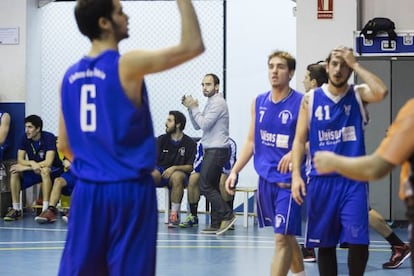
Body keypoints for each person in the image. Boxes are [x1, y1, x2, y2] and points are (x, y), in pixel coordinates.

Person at [57, 0, 204, 275]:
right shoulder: (127, 64)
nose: (126, 16)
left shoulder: (67, 77)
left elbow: (64, 144)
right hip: (128, 190)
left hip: (87, 190)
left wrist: (99, 164)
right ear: (104, 22)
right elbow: (192, 45)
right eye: (120, 11)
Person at [301, 62, 410, 269]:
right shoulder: (310, 102)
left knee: (363, 212)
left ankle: (396, 244)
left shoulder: (343, 100)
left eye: (306, 77)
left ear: (314, 81)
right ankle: (318, 244)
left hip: (344, 173)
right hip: (324, 175)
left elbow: (379, 92)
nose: (303, 80)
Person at [291, 46, 388, 276]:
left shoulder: (358, 94)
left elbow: (381, 91)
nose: (338, 69)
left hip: (353, 181)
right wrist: (296, 175)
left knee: (358, 240)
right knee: (325, 243)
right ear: (327, 67)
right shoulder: (311, 99)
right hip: (321, 181)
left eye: (344, 65)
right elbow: (298, 140)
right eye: (334, 63)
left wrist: (356, 64)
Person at [225, 50, 306, 276]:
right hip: (266, 180)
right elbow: (251, 141)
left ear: (290, 73)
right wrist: (234, 171)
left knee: (281, 239)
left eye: (280, 67)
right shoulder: (259, 102)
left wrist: (295, 151)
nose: (274, 71)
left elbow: (313, 142)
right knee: (286, 236)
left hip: (290, 181)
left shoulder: (302, 103)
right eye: (271, 66)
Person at [182, 73, 235, 235]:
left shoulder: (218, 103)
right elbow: (197, 126)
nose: (205, 87)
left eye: (208, 84)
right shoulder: (211, 102)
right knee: (211, 186)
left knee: (204, 185)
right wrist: (191, 110)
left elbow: (204, 124)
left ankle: (227, 214)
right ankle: (216, 223)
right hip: (212, 149)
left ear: (217, 86)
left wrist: (194, 107)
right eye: (203, 84)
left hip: (217, 150)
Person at [4, 115, 63, 221]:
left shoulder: (49, 137)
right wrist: (31, 163)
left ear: (38, 128)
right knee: (14, 171)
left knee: (45, 170)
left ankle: (45, 210)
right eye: (26, 127)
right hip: (35, 169)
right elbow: (20, 160)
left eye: (30, 127)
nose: (27, 130)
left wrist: (28, 168)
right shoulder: (24, 138)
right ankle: (16, 209)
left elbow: (48, 162)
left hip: (54, 170)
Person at [152, 110, 197, 228]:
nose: (165, 123)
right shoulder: (161, 140)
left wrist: (174, 168)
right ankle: (143, 212)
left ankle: (174, 215)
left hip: (180, 173)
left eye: (169, 120)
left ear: (178, 124)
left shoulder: (190, 143)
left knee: (177, 177)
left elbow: (190, 166)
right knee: (151, 175)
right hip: (162, 170)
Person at [180, 137, 237, 229]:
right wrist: (209, 169)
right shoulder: (201, 143)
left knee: (223, 179)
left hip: (228, 173)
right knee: (193, 178)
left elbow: (230, 165)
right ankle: (193, 216)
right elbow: (197, 165)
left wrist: (215, 170)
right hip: (208, 172)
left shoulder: (229, 143)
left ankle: (228, 217)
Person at [34, 157, 75, 224]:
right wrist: (66, 161)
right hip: (72, 172)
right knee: (58, 181)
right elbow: (66, 159)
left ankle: (74, 212)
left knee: (79, 184)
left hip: (86, 172)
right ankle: (51, 211)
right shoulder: (72, 147)